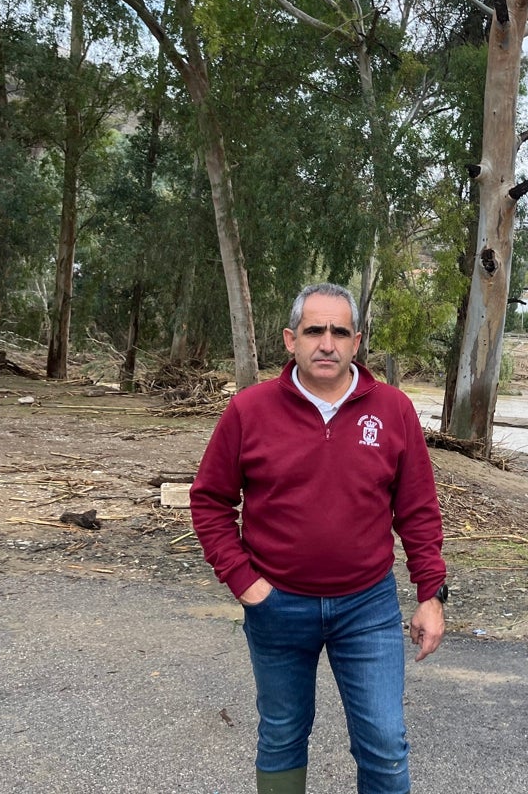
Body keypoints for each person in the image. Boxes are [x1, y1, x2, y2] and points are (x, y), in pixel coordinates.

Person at [190, 282, 447, 794]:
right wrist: (245, 583)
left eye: (339, 332)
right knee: (283, 734)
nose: (326, 343)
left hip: (367, 608)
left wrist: (430, 595)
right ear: (291, 340)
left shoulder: (393, 410)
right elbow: (210, 501)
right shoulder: (249, 411)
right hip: (277, 605)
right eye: (314, 331)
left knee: (384, 741)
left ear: (356, 342)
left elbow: (416, 510)